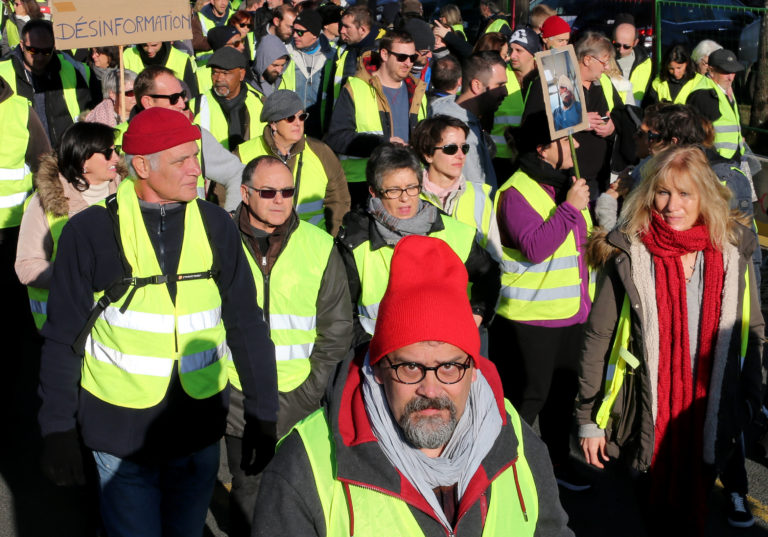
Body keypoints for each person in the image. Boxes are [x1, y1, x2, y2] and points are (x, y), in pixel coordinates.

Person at [36, 107, 278, 537]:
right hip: (121, 439)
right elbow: (62, 340)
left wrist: (263, 414)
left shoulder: (216, 226)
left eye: (195, 156)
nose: (196, 169)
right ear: (143, 167)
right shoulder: (88, 232)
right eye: (181, 160)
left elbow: (247, 325)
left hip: (199, 433)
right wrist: (57, 428)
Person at [253, 232, 573, 537]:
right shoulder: (306, 464)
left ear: (474, 369)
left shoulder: (515, 436)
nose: (430, 390)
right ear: (378, 368)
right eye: (410, 367)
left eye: (449, 367)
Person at [577, 145, 763, 533]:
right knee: (653, 516)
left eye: (684, 194)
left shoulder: (733, 250)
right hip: (645, 413)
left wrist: (749, 401)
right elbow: (598, 338)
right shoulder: (629, 252)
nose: (671, 205)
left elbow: (753, 330)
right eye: (662, 192)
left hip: (711, 414)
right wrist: (589, 420)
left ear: (705, 197)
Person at [226, 155, 352, 536]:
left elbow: (336, 331)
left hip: (301, 400)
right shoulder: (219, 241)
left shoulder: (319, 245)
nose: (280, 199)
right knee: (247, 494)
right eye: (268, 192)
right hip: (238, 399)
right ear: (245, 193)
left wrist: (308, 392)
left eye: (287, 191)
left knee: (299, 498)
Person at [492, 106, 594, 492]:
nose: (576, 145)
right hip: (528, 319)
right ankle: (503, 472)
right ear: (543, 149)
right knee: (526, 400)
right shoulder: (515, 191)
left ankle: (556, 465)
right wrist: (570, 208)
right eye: (566, 139)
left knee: (561, 398)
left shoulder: (566, 183)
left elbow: (579, 245)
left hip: (569, 314)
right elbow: (535, 248)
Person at [336, 143, 499, 348]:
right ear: (374, 192)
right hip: (383, 356)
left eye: (412, 188)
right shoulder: (355, 242)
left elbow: (489, 274)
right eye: (394, 190)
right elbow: (341, 313)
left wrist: (475, 316)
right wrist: (370, 352)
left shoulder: (451, 231)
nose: (405, 198)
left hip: (446, 353)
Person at [16, 122, 122, 331]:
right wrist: (79, 275)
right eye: (107, 153)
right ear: (83, 160)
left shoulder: (129, 192)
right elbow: (27, 266)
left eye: (116, 150)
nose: (116, 158)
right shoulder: (43, 203)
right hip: (68, 322)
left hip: (118, 323)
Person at [325, 30, 428, 207]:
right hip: (363, 185)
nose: (408, 63)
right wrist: (381, 143)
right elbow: (336, 137)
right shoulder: (355, 87)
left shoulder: (418, 91)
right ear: (384, 55)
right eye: (402, 57)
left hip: (407, 185)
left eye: (413, 58)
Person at [128, 66, 246, 211]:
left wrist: (230, 215)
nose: (182, 104)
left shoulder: (196, 135)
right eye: (173, 98)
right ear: (148, 102)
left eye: (182, 95)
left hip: (192, 224)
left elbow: (237, 174)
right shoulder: (117, 141)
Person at [237, 90, 351, 234]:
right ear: (273, 124)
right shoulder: (244, 154)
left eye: (302, 117)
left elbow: (340, 200)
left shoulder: (321, 152)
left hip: (312, 242)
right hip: (260, 241)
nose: (298, 123)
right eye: (290, 118)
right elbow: (227, 201)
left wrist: (331, 238)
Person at [411, 115, 501, 259]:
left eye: (464, 148)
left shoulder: (479, 195)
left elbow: (494, 253)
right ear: (428, 154)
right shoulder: (409, 196)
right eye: (450, 148)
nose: (461, 155)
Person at [0, 19, 100, 147]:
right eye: (33, 50)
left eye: (46, 51)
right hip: (19, 155)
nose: (39, 57)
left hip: (63, 153)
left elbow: (89, 114)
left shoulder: (72, 71)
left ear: (54, 47)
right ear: (22, 45)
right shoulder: (2, 73)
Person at [429, 51, 508, 192]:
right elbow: (475, 190)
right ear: (476, 85)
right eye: (499, 85)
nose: (505, 92)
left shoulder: (468, 120)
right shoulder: (458, 134)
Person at [572, 32, 622, 199]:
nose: (607, 67)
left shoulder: (604, 82)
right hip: (570, 179)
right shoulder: (562, 84)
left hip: (599, 179)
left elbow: (622, 116)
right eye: (604, 62)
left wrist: (613, 127)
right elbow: (546, 123)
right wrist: (577, 120)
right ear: (587, 60)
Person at [320, 5, 383, 130]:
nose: (341, 31)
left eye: (347, 27)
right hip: (341, 126)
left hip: (369, 130)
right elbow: (331, 91)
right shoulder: (343, 49)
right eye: (341, 25)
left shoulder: (382, 53)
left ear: (362, 30)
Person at [191, 47, 265, 151]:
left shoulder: (260, 102)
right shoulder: (196, 106)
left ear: (241, 74)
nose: (218, 79)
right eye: (214, 72)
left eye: (225, 73)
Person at [688, 48, 745, 161]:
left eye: (733, 72)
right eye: (726, 72)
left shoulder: (724, 89)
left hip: (730, 159)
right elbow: (693, 135)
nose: (731, 78)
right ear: (711, 71)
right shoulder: (703, 95)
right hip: (715, 162)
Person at [286, 8, 334, 137]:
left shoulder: (332, 57)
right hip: (291, 127)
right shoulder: (285, 53)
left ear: (314, 34)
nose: (294, 35)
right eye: (293, 30)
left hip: (321, 130)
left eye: (300, 32)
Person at [122, 42, 199, 98]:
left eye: (154, 45)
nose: (149, 50)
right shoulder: (128, 55)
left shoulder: (181, 59)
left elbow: (192, 94)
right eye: (145, 45)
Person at [643, 44, 711, 107]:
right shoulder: (657, 83)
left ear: (687, 64)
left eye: (679, 68)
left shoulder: (701, 82)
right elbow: (649, 109)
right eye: (671, 68)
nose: (675, 73)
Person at [612, 15, 652, 105]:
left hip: (636, 111)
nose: (621, 50)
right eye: (617, 45)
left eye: (626, 46)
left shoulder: (646, 63)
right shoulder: (604, 61)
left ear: (635, 42)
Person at [250, 34, 292, 98]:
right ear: (262, 61)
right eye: (275, 65)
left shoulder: (284, 82)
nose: (279, 70)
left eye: (282, 65)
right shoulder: (244, 85)